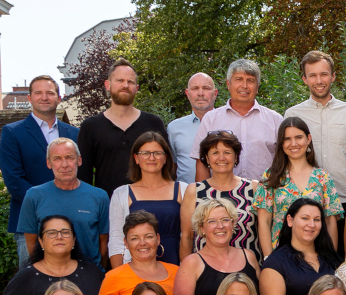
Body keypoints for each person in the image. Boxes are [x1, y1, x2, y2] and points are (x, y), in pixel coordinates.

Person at [0, 74, 77, 266]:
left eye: (50, 93)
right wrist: (51, 205)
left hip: (71, 221)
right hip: (30, 222)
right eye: (38, 93)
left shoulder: (74, 133)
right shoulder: (12, 133)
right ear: (29, 98)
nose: (44, 97)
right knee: (32, 283)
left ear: (59, 98)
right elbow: (14, 181)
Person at [261, 198, 342, 295]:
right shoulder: (276, 263)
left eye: (317, 220)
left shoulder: (332, 259)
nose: (311, 225)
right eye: (305, 218)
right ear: (290, 220)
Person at [284, 50, 346, 198]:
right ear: (305, 79)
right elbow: (286, 158)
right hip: (305, 199)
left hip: (345, 197)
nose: (319, 81)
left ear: (333, 76)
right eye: (312, 76)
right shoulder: (293, 114)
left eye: (324, 74)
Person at [78, 61, 168, 197]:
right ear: (108, 85)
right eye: (120, 80)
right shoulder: (90, 126)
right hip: (107, 207)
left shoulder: (153, 123)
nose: (125, 85)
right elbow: (83, 175)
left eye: (130, 82)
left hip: (150, 206)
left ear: (136, 88)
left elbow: (167, 169)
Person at [16, 138, 110, 268]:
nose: (64, 164)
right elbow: (32, 246)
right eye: (57, 159)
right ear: (49, 163)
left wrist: (96, 273)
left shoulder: (99, 196)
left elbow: (103, 245)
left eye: (69, 157)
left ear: (79, 160)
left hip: (89, 274)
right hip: (49, 275)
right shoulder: (34, 196)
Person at [256, 117, 344, 254]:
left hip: (317, 254)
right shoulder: (271, 177)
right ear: (281, 142)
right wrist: (268, 259)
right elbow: (264, 222)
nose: (293, 143)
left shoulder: (323, 177)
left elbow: (330, 222)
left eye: (298, 137)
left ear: (308, 139)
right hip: (280, 254)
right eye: (287, 139)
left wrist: (330, 259)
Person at [107, 132, 187, 266]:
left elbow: (190, 236)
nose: (151, 158)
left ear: (165, 158)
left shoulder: (184, 190)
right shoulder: (121, 193)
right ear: (136, 158)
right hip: (136, 266)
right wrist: (120, 275)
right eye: (145, 153)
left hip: (176, 263)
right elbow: (116, 240)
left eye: (157, 153)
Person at [197, 58, 283, 181]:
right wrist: (204, 196)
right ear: (228, 84)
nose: (244, 85)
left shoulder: (275, 120)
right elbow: (201, 162)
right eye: (239, 79)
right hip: (220, 197)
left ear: (257, 87)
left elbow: (285, 161)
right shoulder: (211, 119)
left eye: (250, 81)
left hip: (265, 195)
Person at [181, 130, 261, 258]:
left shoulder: (254, 188)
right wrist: (186, 271)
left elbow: (264, 231)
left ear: (236, 157)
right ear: (207, 158)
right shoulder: (194, 191)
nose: (221, 158)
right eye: (215, 153)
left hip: (248, 269)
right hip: (205, 270)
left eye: (227, 152)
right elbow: (187, 237)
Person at [98, 212, 179, 295]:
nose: (142, 243)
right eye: (134, 238)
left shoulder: (177, 272)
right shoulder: (113, 277)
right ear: (125, 242)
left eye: (148, 236)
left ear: (158, 239)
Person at [166, 72, 218, 184]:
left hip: (223, 198)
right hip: (184, 198)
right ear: (187, 93)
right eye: (195, 88)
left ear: (215, 93)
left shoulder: (228, 124)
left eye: (206, 88)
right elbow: (172, 167)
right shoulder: (174, 128)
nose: (200, 93)